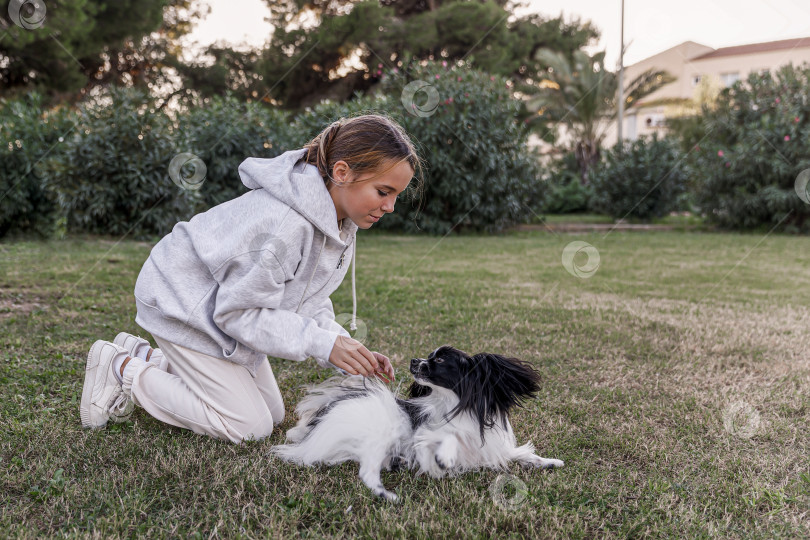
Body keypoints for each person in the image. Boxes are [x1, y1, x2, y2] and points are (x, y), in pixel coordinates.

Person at [80, 114, 424, 444]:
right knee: (248, 425)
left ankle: (143, 355)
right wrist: (323, 345)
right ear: (342, 172)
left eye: (396, 195)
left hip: (217, 310)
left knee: (272, 414)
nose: (390, 206)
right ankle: (121, 368)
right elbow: (237, 314)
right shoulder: (286, 226)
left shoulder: (339, 223)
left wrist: (342, 344)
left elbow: (308, 299)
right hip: (182, 302)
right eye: (383, 192)